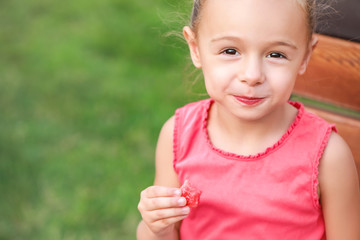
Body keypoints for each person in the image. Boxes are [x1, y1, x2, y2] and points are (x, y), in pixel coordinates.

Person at [137, 0, 360, 239]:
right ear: (195, 48)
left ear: (305, 56)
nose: (252, 75)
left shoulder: (329, 156)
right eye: (230, 51)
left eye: (276, 54)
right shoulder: (178, 135)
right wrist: (158, 227)